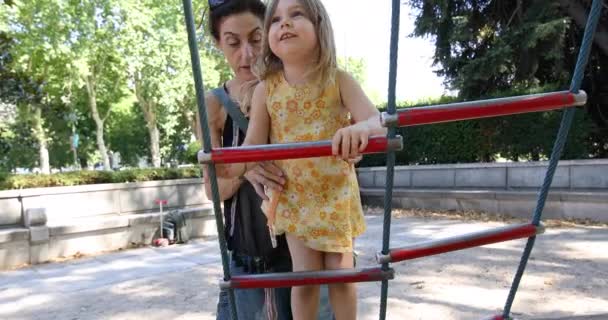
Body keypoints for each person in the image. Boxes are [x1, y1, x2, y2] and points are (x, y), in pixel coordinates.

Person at [217, 0, 386, 319]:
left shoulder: (338, 80)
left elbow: (377, 121)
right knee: (304, 278)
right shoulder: (266, 89)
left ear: (319, 26)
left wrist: (361, 127)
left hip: (335, 193)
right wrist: (229, 163)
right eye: (276, 19)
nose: (285, 24)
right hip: (295, 197)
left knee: (341, 274)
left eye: (297, 15)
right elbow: (253, 144)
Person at [198, 0, 333, 319]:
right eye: (233, 43)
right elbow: (211, 189)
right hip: (248, 258)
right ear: (219, 44)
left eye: (256, 39)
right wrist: (248, 168)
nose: (246, 54)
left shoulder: (298, 90)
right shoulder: (215, 105)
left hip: (305, 253)